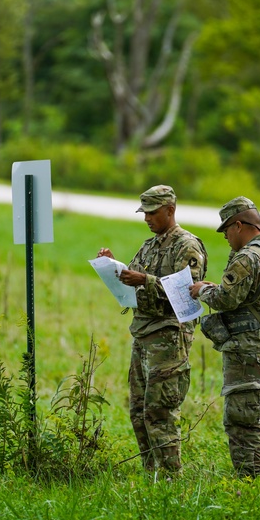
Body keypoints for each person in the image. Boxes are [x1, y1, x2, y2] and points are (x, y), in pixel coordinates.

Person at [97, 185, 207, 475]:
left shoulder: (187, 246)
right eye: (143, 212)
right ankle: (152, 472)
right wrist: (113, 266)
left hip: (169, 338)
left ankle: (170, 477)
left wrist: (145, 280)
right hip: (143, 335)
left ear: (170, 210)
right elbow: (132, 278)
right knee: (138, 411)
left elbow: (188, 290)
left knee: (160, 412)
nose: (147, 218)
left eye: (152, 212)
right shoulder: (149, 246)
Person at [189, 196, 260, 478]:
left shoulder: (247, 257)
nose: (226, 237)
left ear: (240, 225)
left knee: (243, 419)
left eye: (227, 230)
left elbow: (226, 298)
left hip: (247, 351)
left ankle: (250, 482)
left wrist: (202, 291)